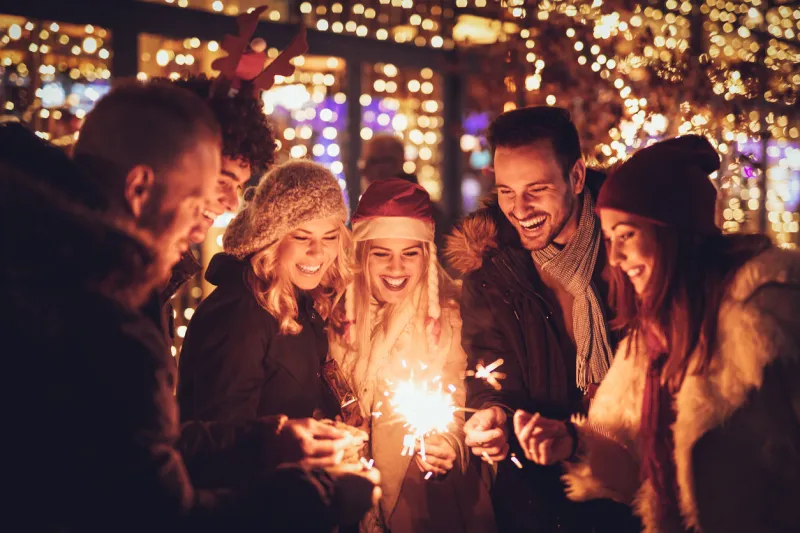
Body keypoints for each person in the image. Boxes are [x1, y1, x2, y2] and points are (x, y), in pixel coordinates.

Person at [2, 101, 379, 532]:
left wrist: (269, 440)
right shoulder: (94, 317)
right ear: (140, 188)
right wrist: (321, 496)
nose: (207, 224)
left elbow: (136, 444)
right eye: (199, 199)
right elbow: (158, 513)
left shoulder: (72, 283)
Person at [514, 135, 800, 533]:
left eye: (626, 235)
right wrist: (573, 442)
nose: (615, 258)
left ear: (671, 231)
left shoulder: (768, 318)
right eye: (609, 239)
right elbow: (639, 469)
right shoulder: (650, 340)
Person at [445, 106, 636, 531]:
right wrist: (491, 413)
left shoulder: (630, 251)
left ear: (577, 177)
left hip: (629, 495)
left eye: (537, 189)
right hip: (535, 501)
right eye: (506, 191)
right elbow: (488, 367)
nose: (519, 209)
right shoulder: (490, 268)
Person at [329, 178, 496, 533]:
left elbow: (461, 397)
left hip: (423, 498)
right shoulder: (336, 318)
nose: (396, 267)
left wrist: (447, 442)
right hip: (349, 498)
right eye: (382, 254)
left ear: (426, 256)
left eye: (409, 253)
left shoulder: (448, 319)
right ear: (362, 255)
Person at [177, 160, 353, 426]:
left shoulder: (301, 302)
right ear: (270, 238)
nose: (318, 252)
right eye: (301, 237)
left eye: (329, 237)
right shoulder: (239, 316)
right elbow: (219, 435)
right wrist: (294, 440)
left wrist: (335, 423)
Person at [360, 133, 451, 261]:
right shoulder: (372, 207)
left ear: (399, 163)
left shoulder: (419, 210)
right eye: (370, 162)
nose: (368, 169)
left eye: (374, 161)